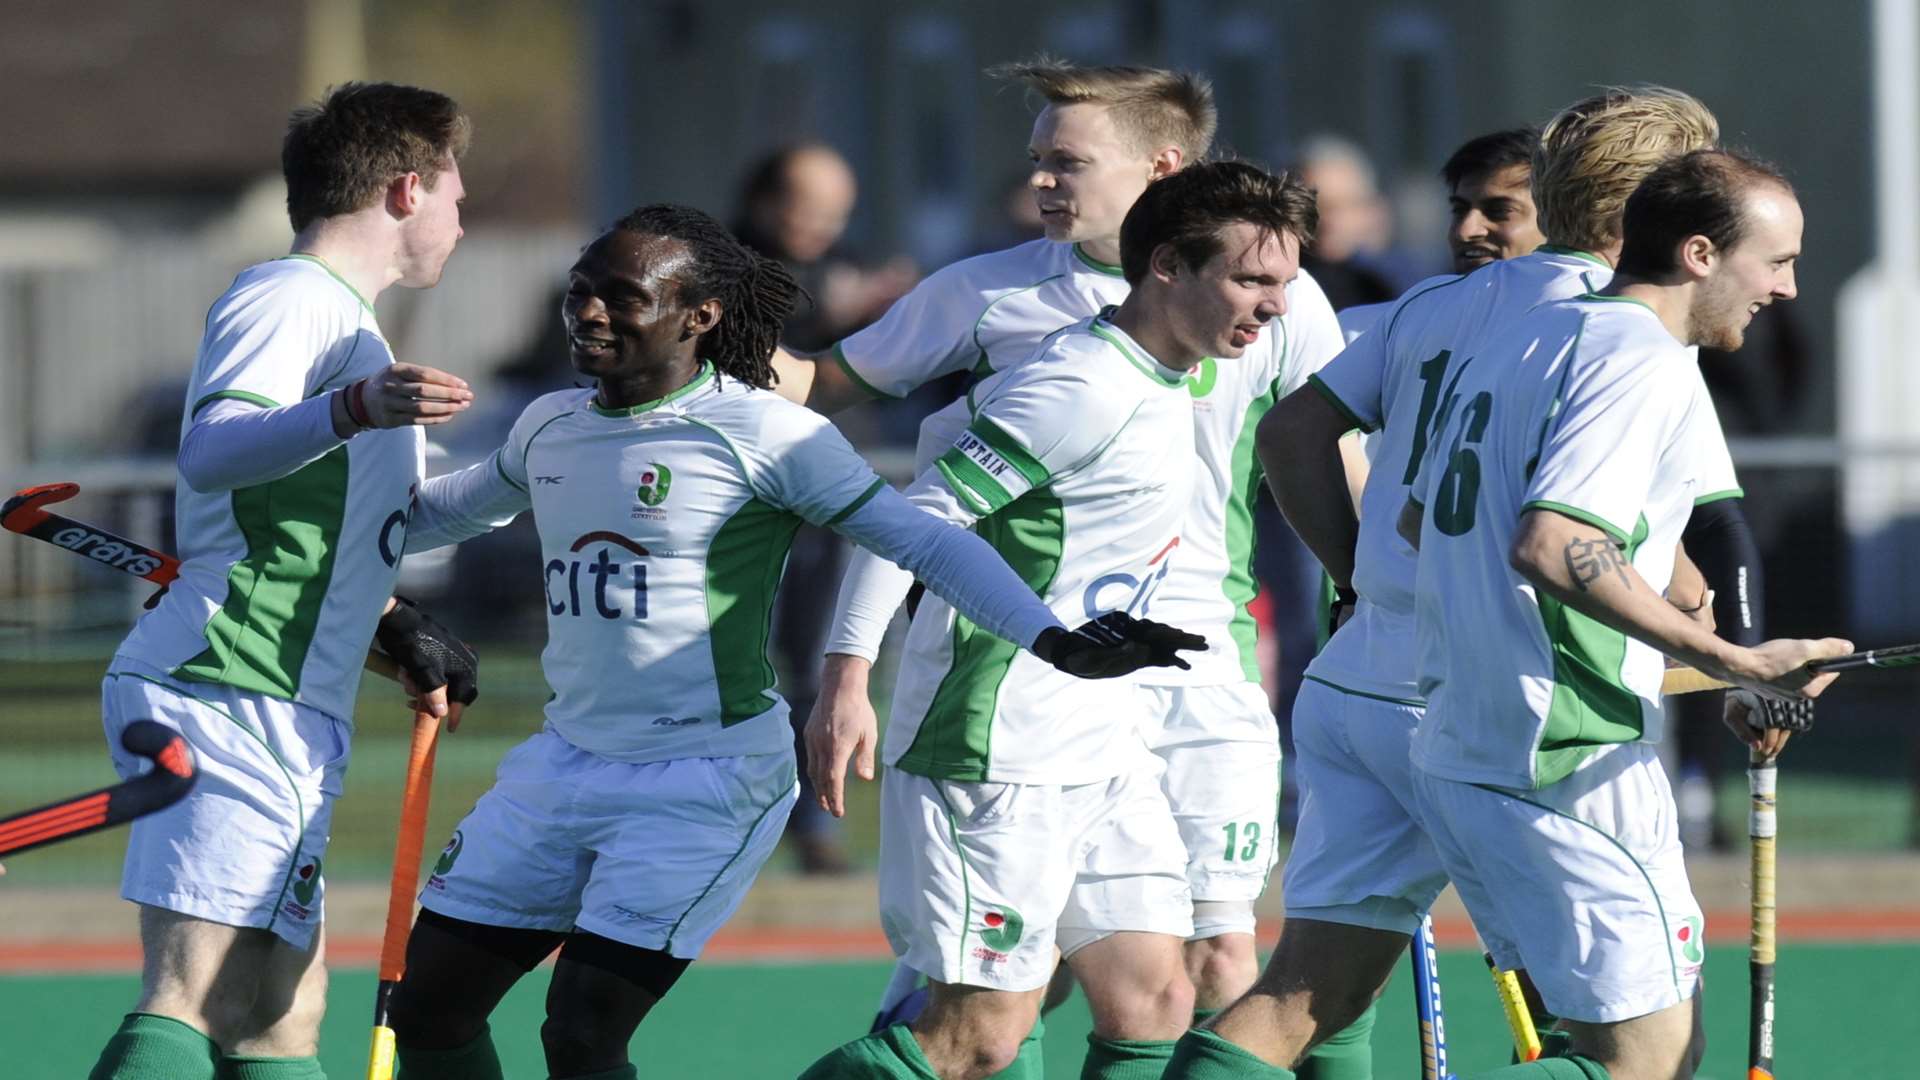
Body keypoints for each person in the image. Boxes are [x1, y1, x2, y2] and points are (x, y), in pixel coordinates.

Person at [380, 204, 1199, 1080]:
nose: (589, 313)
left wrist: (1052, 639)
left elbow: (922, 537)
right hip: (562, 762)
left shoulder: (766, 433)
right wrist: (335, 473)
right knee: (428, 1007)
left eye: (622, 297)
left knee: (581, 1030)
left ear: (700, 316)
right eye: (580, 293)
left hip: (702, 778)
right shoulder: (549, 423)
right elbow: (427, 518)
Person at [781, 57, 1367, 1075]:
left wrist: (1372, 590)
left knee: (1184, 978)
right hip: (1021, 686)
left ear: (1165, 168)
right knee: (989, 1017)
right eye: (1038, 161)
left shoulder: (1252, 305)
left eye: (1070, 161)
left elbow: (1324, 445)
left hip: (1179, 665)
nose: (1045, 182)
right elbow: (902, 487)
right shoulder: (1034, 331)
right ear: (1175, 270)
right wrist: (847, 669)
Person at [1163, 87, 1734, 1078]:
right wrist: (1725, 646)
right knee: (1647, 1054)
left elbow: (1296, 433)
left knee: (1306, 997)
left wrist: (1361, 576)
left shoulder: (1433, 303)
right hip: (1510, 705)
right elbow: (1600, 530)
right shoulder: (1628, 333)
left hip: (1362, 680)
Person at [1391, 149, 1847, 1080]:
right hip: (1568, 759)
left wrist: (1682, 618)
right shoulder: (1642, 358)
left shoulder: (1523, 335)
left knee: (1596, 1050)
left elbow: (1416, 519)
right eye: (1779, 260)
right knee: (1651, 1065)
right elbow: (1554, 544)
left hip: (1462, 748)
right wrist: (1735, 660)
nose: (1790, 288)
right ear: (1700, 254)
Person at [87, 82, 481, 1080]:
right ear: (406, 190)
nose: (461, 220)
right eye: (456, 197)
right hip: (226, 683)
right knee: (194, 987)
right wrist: (352, 408)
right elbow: (214, 449)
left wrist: (533, 473)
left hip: (285, 699)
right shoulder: (290, 298)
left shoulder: (353, 329)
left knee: (278, 1010)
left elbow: (373, 529)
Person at [1338, 127, 1547, 343]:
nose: (1466, 230)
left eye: (1499, 212)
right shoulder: (1364, 334)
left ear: (1556, 219)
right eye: (1459, 210)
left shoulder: (1577, 336)